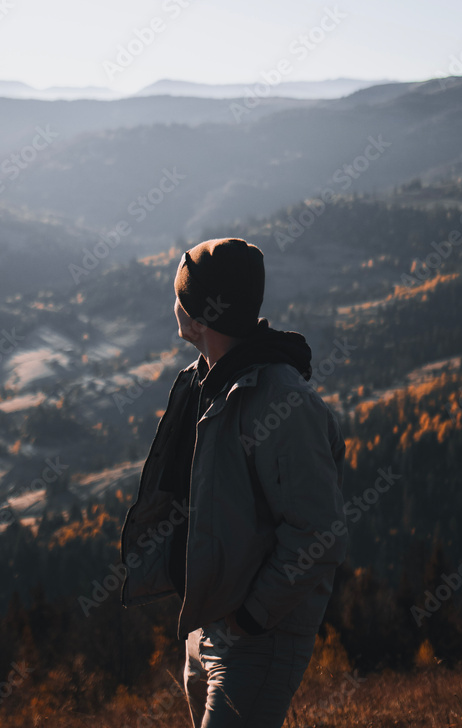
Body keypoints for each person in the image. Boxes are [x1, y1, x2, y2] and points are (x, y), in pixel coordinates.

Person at [120, 237, 349, 727]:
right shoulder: (206, 379)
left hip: (256, 637)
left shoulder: (282, 404)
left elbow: (317, 532)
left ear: (203, 316)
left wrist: (250, 617)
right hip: (207, 624)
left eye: (181, 296)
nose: (173, 304)